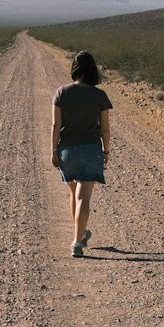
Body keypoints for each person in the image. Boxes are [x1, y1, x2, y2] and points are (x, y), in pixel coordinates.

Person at [51, 51, 112, 257]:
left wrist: (53, 150)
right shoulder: (99, 96)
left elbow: (55, 125)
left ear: (74, 70)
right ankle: (77, 242)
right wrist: (106, 150)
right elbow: (105, 128)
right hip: (91, 150)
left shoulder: (61, 93)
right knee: (83, 197)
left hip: (67, 151)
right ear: (93, 70)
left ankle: (81, 233)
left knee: (73, 193)